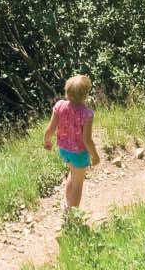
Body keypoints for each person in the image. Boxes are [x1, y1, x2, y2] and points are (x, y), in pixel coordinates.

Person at [44, 72, 100, 216]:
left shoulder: (59, 106)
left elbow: (50, 129)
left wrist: (47, 141)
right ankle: (73, 216)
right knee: (78, 184)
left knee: (72, 173)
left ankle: (67, 204)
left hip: (63, 149)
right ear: (85, 94)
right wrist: (95, 156)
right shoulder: (86, 114)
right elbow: (87, 140)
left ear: (67, 91)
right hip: (79, 153)